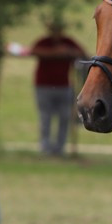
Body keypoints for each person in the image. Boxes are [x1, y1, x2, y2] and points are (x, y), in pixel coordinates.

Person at [29, 19, 86, 155]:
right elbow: (34, 51)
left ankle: (60, 148)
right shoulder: (44, 42)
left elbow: (82, 53)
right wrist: (56, 52)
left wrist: (68, 52)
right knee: (45, 117)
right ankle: (45, 147)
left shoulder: (68, 42)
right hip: (44, 86)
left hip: (63, 86)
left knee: (65, 117)